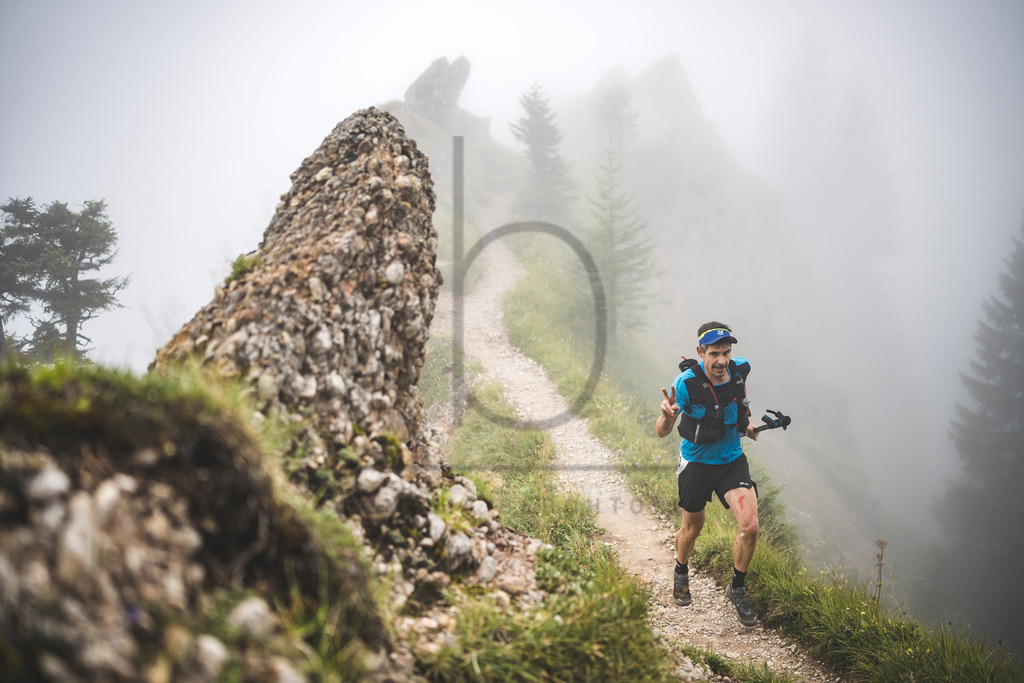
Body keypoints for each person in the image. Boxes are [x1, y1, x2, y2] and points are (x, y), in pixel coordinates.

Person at [655, 321, 761, 627]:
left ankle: (737, 588)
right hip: (697, 463)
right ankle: (680, 571)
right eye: (714, 353)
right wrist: (667, 417)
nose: (721, 361)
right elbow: (662, 433)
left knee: (750, 526)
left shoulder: (740, 370)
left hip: (731, 461)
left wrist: (746, 424)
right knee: (692, 529)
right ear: (700, 352)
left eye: (726, 353)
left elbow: (740, 402)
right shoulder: (686, 384)